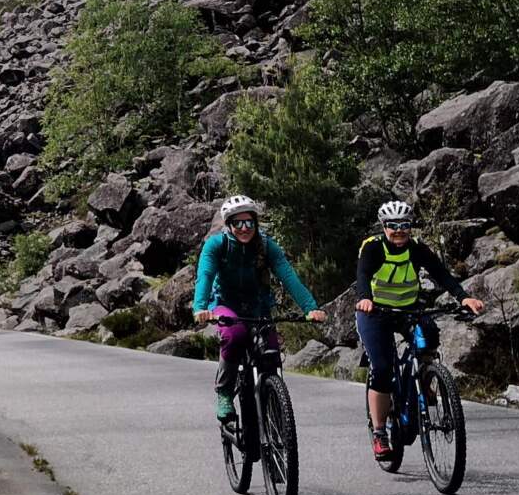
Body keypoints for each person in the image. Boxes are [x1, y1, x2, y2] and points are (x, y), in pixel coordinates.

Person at [352, 199, 487, 458]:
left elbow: (441, 274)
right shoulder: (373, 247)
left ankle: (425, 376)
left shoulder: (417, 249)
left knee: (430, 333)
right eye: (393, 226)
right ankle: (380, 433)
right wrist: (365, 298)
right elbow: (363, 275)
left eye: (404, 225)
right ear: (384, 226)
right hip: (375, 313)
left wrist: (463, 297)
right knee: (382, 368)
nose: (399, 230)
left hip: (408, 309)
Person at [192, 195, 329, 420]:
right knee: (234, 336)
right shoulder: (216, 245)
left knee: (271, 352)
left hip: (258, 306)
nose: (244, 228)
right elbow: (205, 276)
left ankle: (274, 406)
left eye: (249, 222)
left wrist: (310, 307)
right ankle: (225, 393)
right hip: (226, 304)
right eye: (238, 223)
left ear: (256, 223)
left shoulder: (266, 246)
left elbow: (288, 276)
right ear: (229, 225)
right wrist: (200, 307)